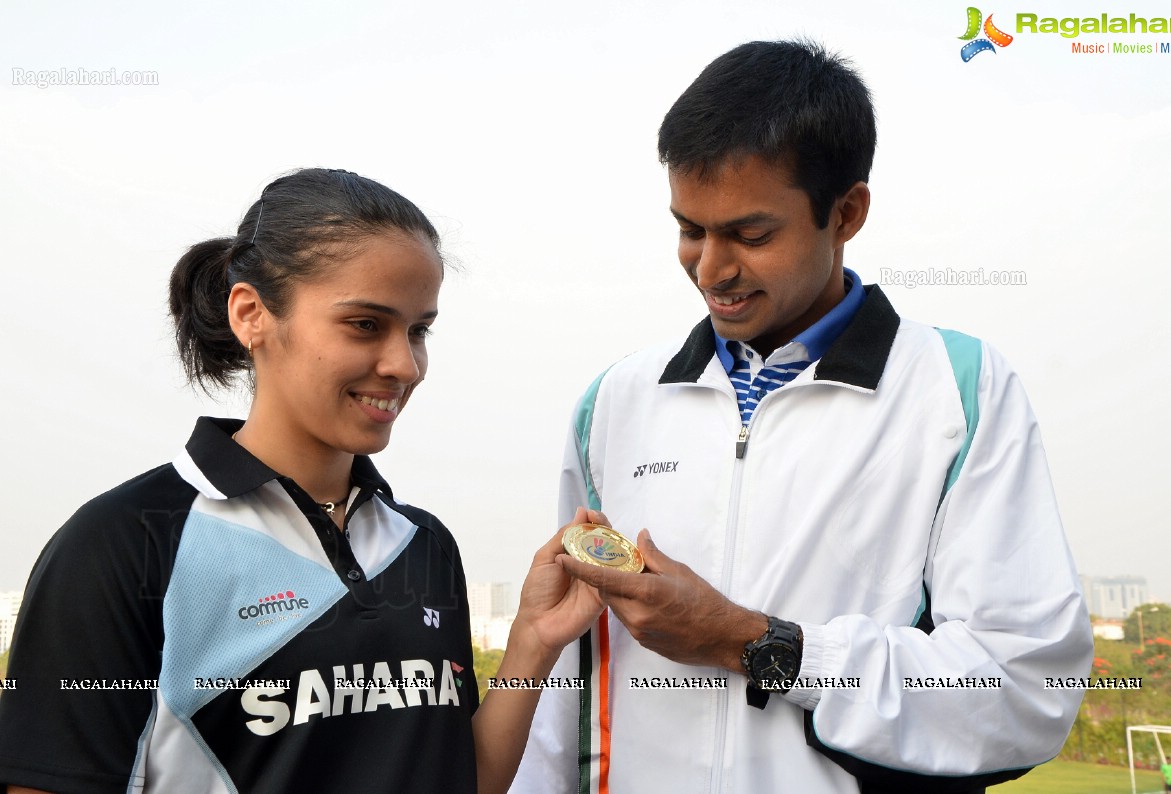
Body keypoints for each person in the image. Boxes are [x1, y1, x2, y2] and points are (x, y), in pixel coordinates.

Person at [513, 40, 1093, 793]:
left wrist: (752, 643)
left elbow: (1020, 691)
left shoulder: (958, 388)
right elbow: (573, 681)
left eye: (751, 235)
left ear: (846, 212)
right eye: (690, 228)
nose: (712, 269)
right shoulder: (614, 399)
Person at [0, 168, 602, 794]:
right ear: (251, 314)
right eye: (366, 325)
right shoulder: (123, 544)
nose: (405, 365)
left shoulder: (423, 544)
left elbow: (463, 779)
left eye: (419, 330)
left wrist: (533, 640)